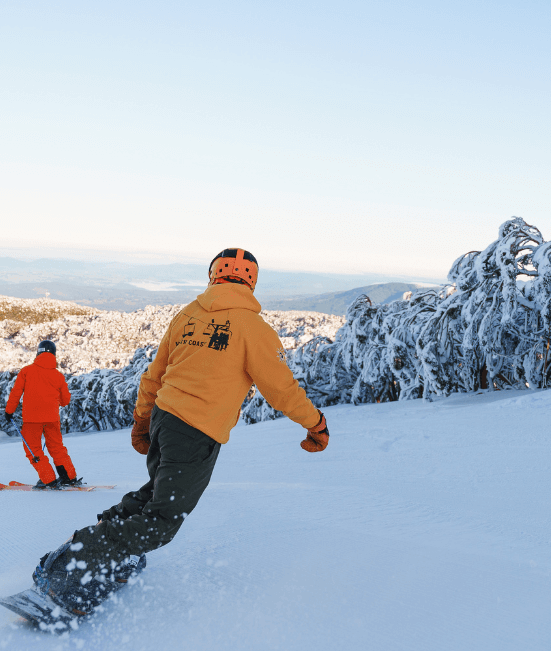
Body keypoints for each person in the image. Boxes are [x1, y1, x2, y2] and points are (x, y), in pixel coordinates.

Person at [30, 248, 330, 615]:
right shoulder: (254, 329)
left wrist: (143, 422)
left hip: (164, 418)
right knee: (163, 520)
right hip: (196, 431)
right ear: (251, 282)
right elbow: (282, 388)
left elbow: (153, 375)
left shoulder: (187, 315)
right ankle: (70, 564)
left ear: (213, 276)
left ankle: (113, 556)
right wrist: (316, 423)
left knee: (156, 493)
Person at [4, 340, 82, 489]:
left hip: (31, 419)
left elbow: (16, 394)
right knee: (57, 448)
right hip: (52, 419)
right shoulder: (58, 375)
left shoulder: (26, 371)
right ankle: (69, 477)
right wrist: (52, 401)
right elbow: (65, 400)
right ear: (53, 354)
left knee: (33, 449)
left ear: (38, 352)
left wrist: (9, 411)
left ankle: (48, 479)